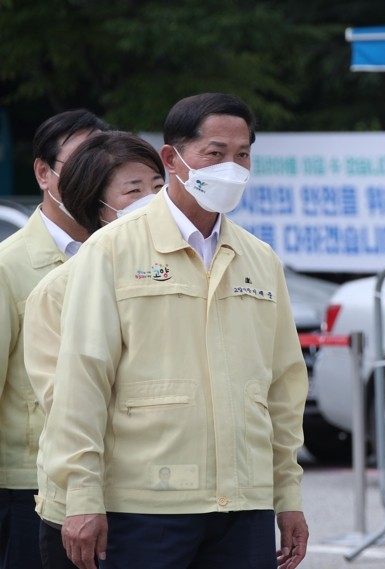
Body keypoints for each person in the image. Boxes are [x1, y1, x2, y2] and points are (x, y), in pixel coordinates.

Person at [41, 93, 309, 569]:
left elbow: (284, 387)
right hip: (145, 506)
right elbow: (82, 379)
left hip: (243, 506)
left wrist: (286, 495)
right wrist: (82, 495)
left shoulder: (259, 260)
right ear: (173, 158)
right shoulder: (112, 250)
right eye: (215, 153)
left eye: (242, 154)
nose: (232, 167)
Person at [22, 131, 163, 569]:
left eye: (158, 187)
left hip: (167, 498)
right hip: (103, 498)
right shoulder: (55, 292)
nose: (152, 201)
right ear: (96, 206)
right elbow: (67, 404)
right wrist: (84, 498)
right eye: (133, 190)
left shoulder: (171, 278)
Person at [0, 109, 109, 569]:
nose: (94, 179)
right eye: (81, 163)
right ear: (43, 173)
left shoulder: (122, 257)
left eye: (103, 166)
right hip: (27, 486)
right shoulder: (10, 266)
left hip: (110, 482)